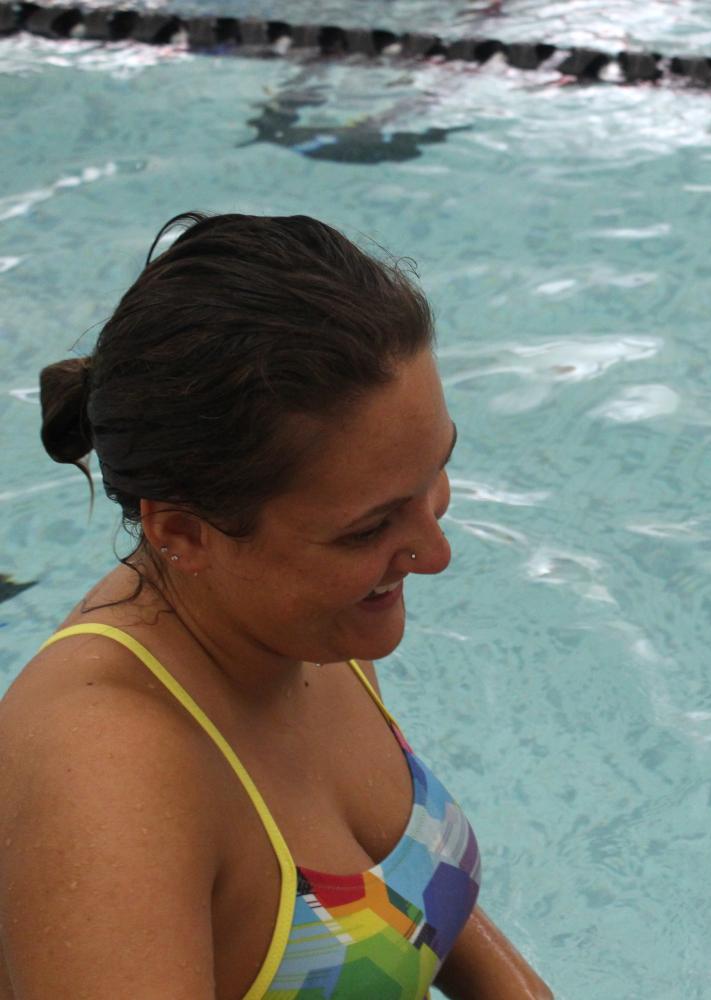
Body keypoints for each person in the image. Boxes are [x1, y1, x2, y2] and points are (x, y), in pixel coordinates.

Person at [0, 213, 551, 999]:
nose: (435, 553)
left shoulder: (302, 624)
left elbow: (410, 910)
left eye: (437, 472)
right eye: (370, 527)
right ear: (182, 530)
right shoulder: (104, 783)